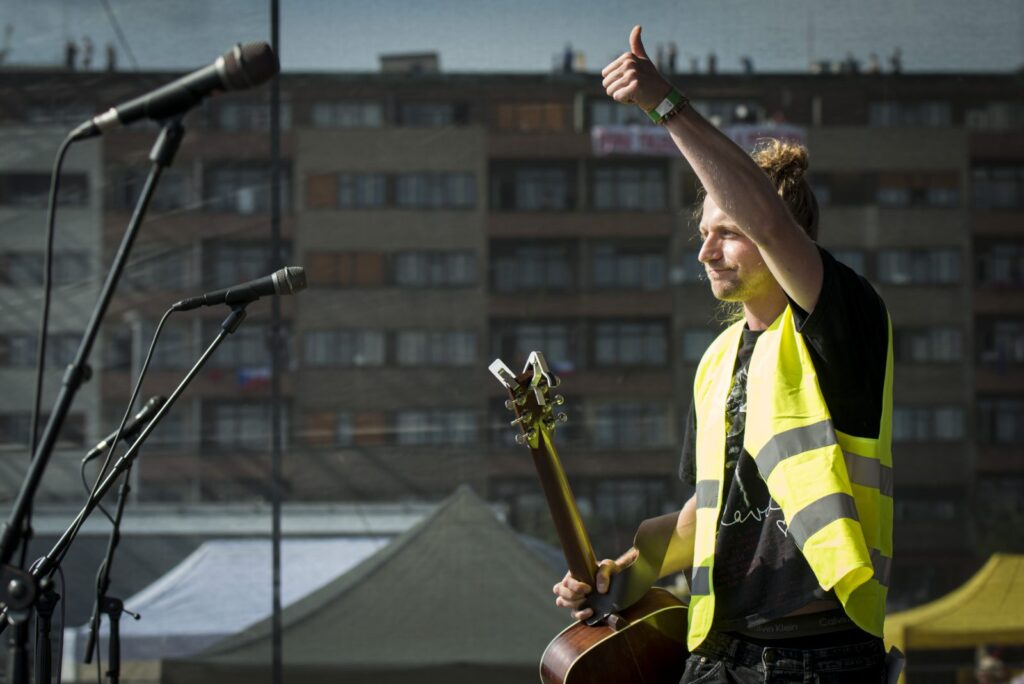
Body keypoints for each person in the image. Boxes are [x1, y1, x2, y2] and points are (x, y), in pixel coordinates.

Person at [553, 26, 894, 682]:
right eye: (704, 233)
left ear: (776, 238)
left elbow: (767, 219)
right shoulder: (717, 361)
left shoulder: (842, 323)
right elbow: (706, 514)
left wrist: (665, 107)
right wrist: (622, 573)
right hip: (716, 657)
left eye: (727, 233)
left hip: (818, 656)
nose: (706, 250)